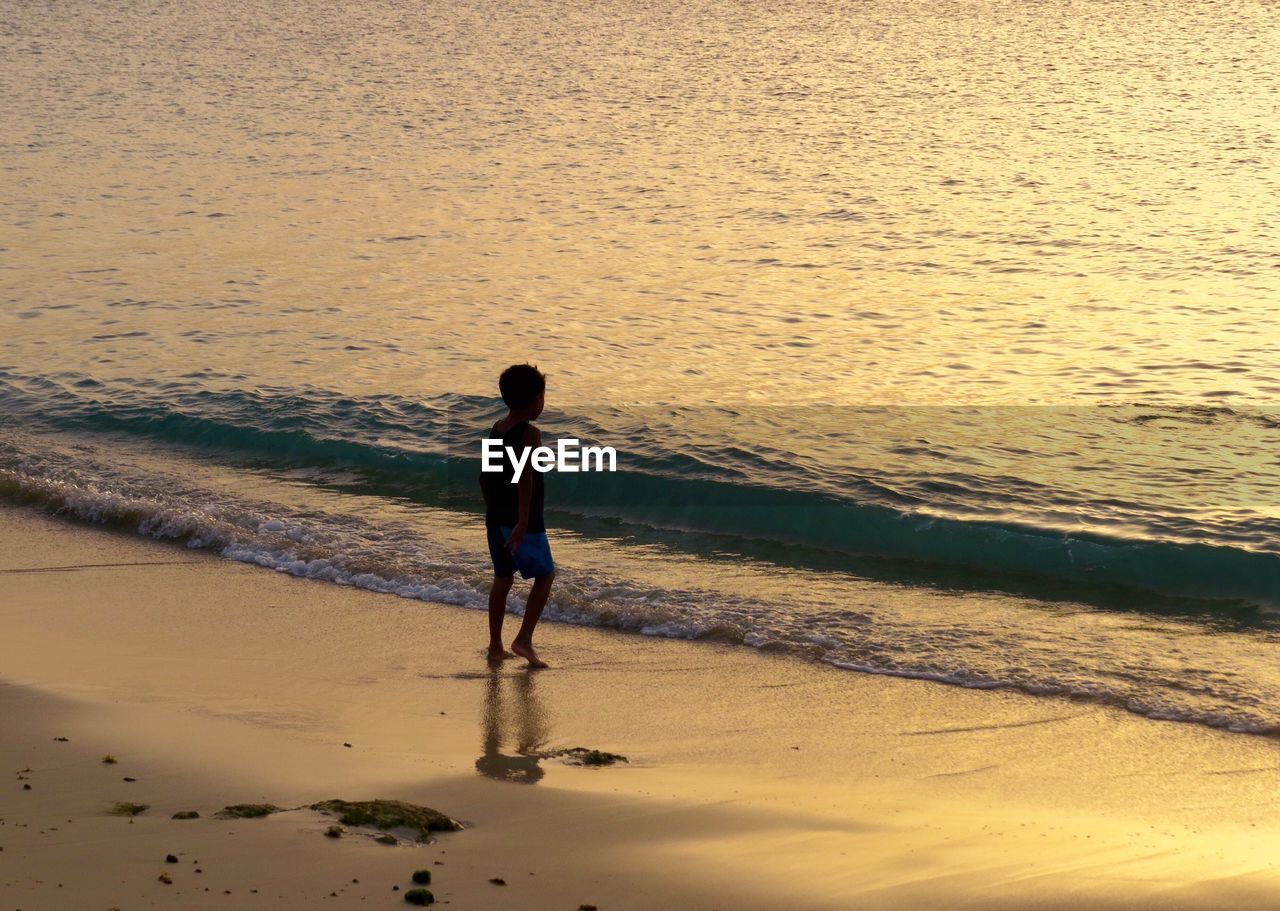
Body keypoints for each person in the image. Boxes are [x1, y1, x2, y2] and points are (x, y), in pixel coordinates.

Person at [479, 363, 555, 668]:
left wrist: (493, 510)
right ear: (537, 398)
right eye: (543, 396)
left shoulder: (496, 429)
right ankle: (523, 639)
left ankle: (495, 645)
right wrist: (522, 521)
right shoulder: (530, 434)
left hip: (496, 516)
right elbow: (525, 478)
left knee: (502, 577)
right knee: (546, 575)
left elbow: (485, 476)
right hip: (522, 520)